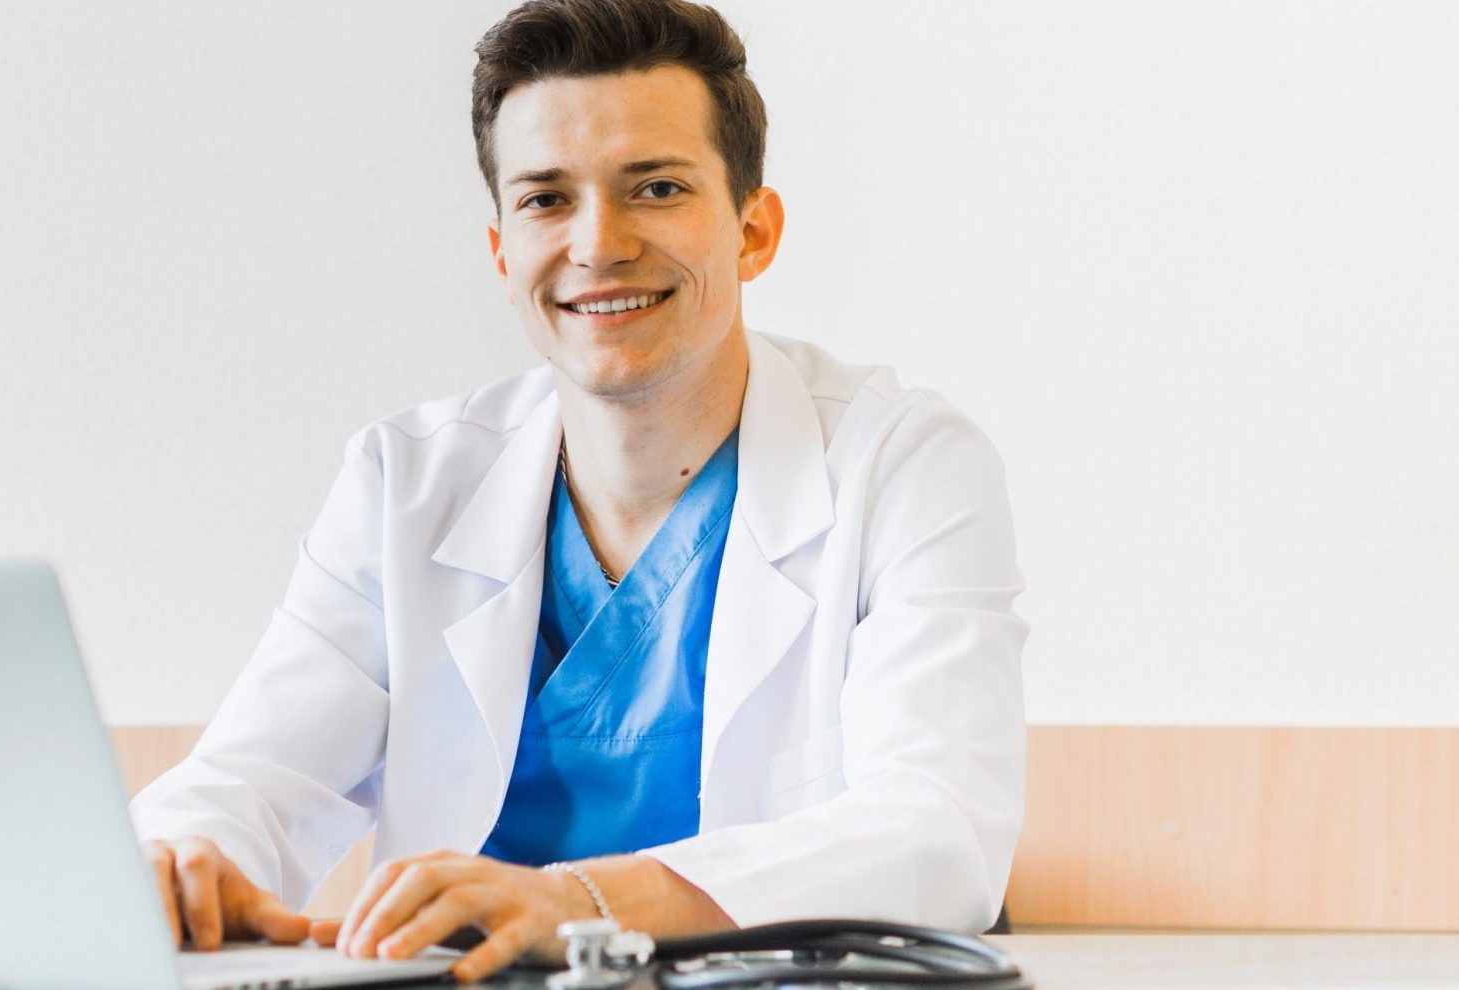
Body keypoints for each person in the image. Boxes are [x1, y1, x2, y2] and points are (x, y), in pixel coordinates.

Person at [130, 0, 1027, 981]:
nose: (598, 244)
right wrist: (178, 858)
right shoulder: (405, 483)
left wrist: (581, 903)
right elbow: (251, 780)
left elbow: (938, 832)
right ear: (502, 253)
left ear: (754, 231)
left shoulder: (903, 465)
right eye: (547, 199)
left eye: (656, 187)